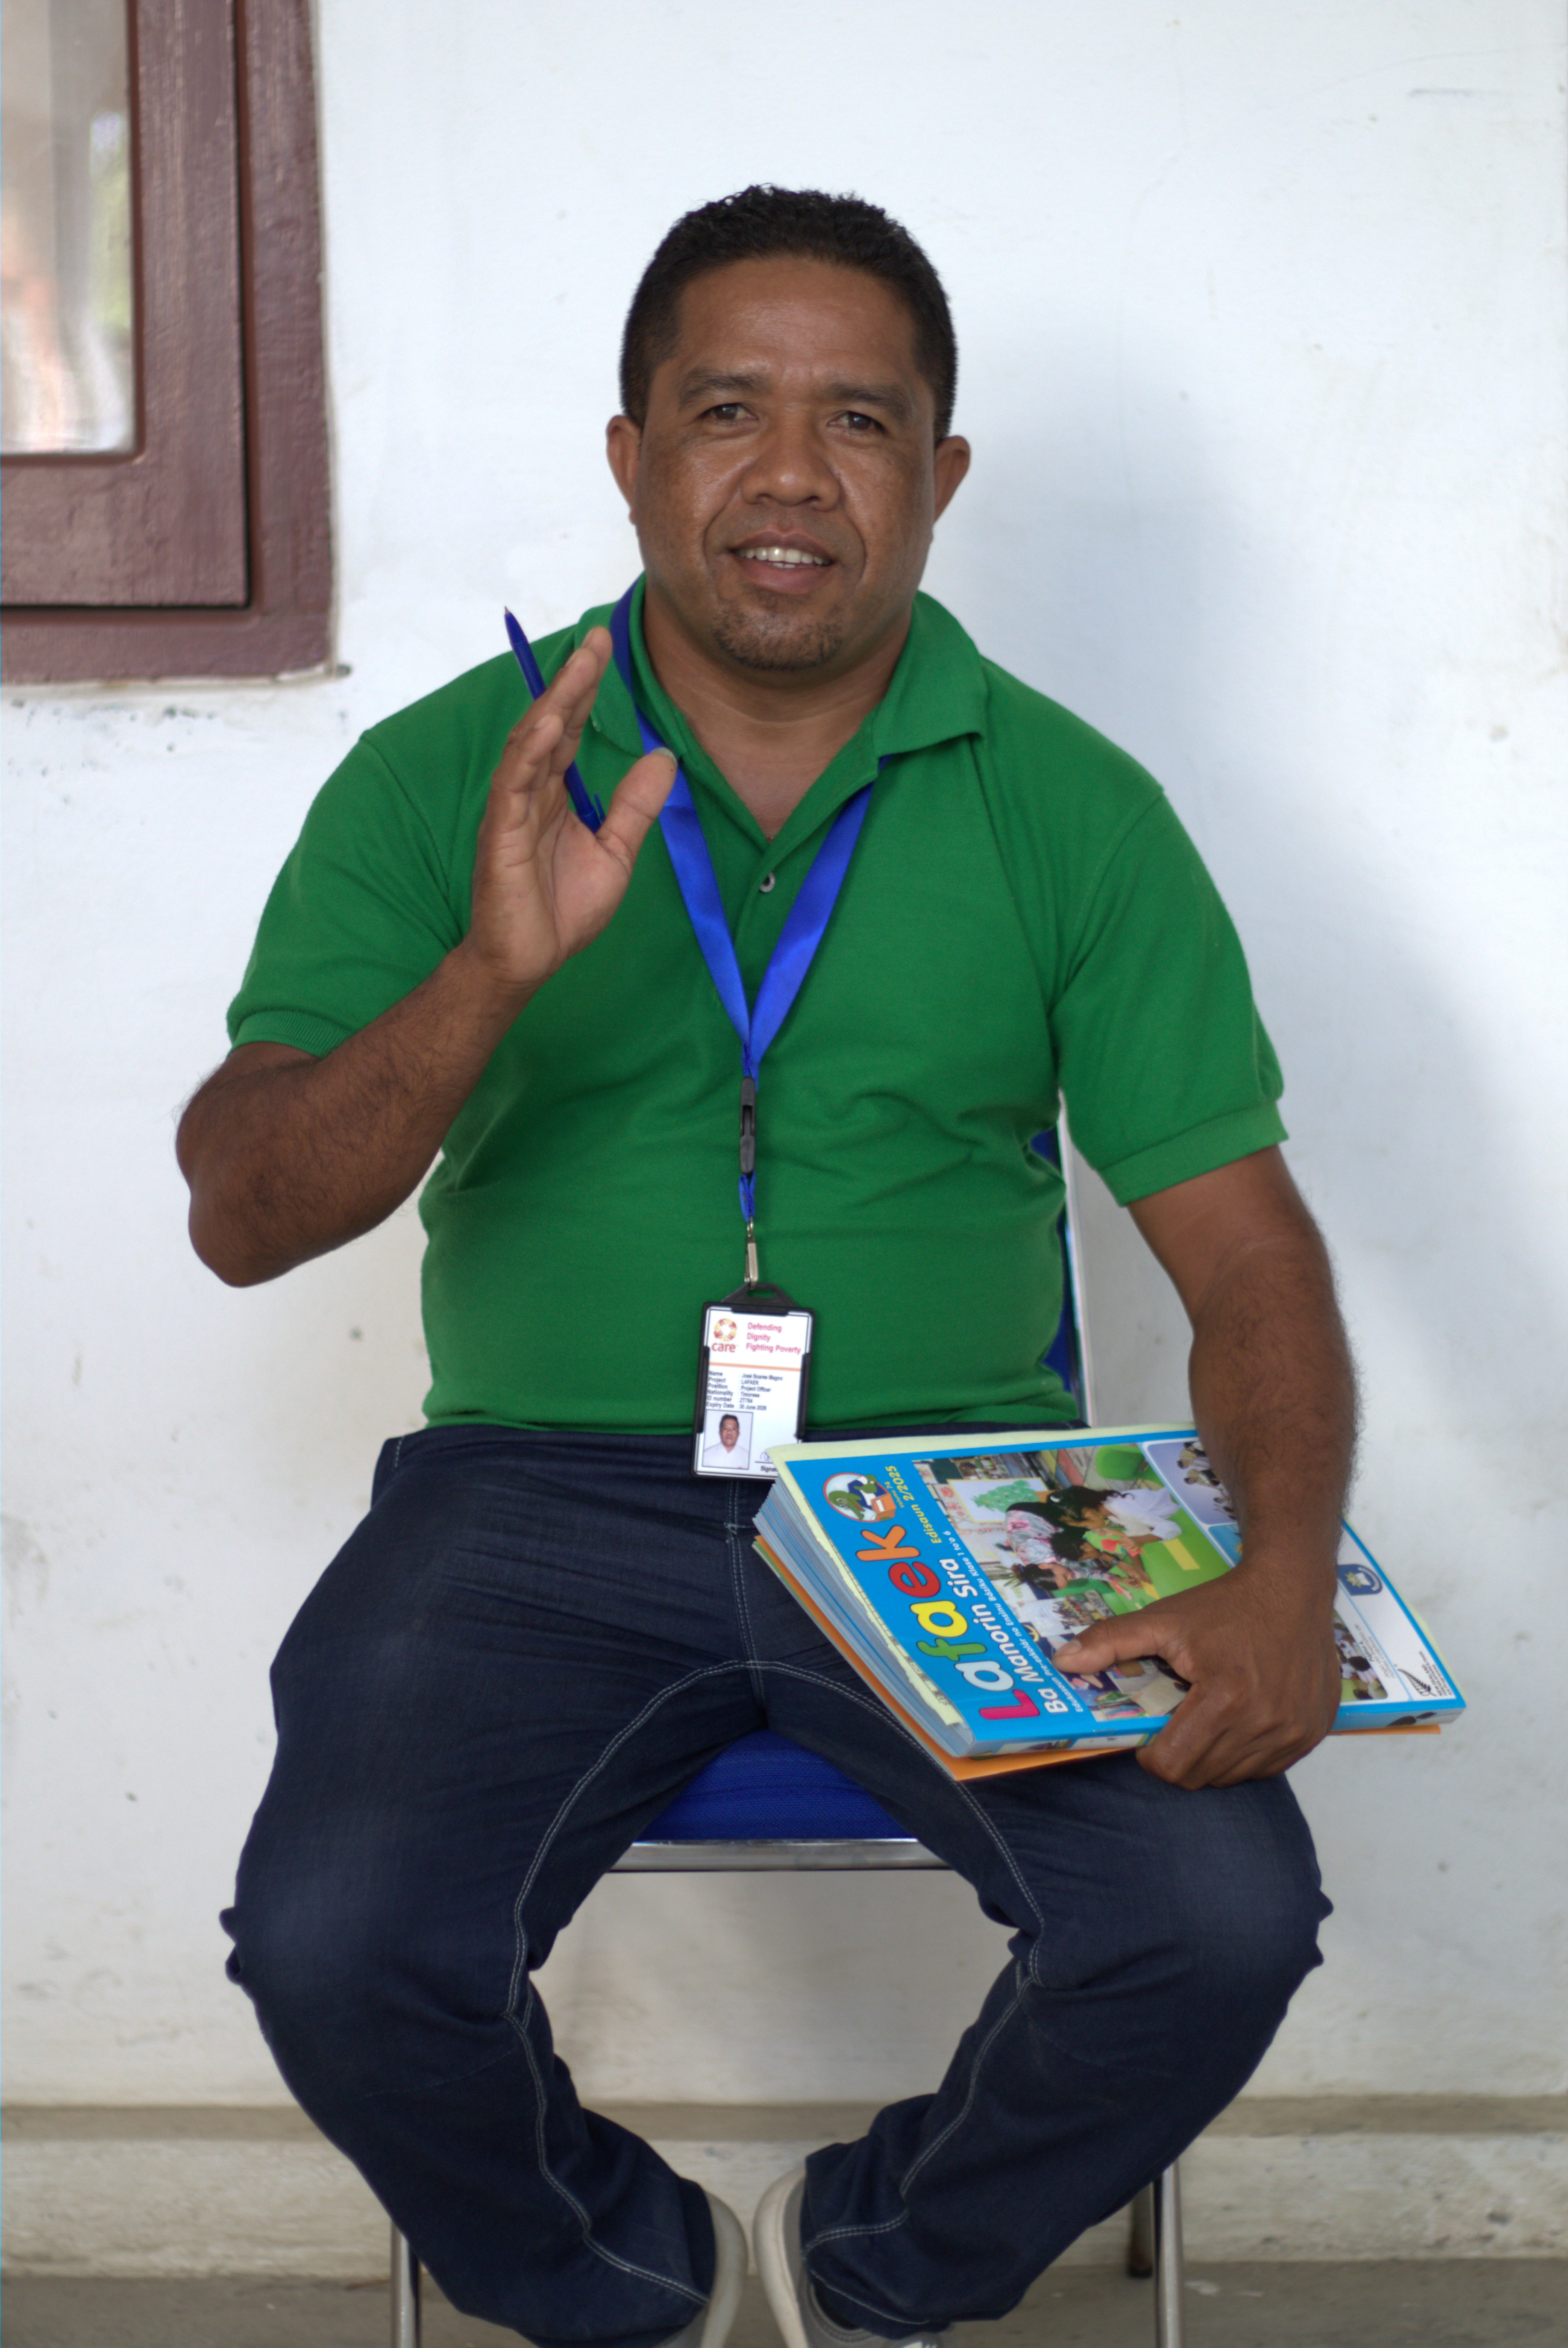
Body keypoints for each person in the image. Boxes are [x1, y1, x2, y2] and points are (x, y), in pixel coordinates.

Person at [179, 187, 1354, 2348]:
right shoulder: (452, 774)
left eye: (860, 421)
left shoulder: (1073, 808)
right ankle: (625, 2269)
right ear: (632, 457)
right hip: (532, 1500)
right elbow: (245, 1216)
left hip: (958, 1504)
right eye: (728, 412)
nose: (793, 474)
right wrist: (485, 977)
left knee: (1213, 1922)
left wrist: (1286, 1569)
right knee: (338, 1943)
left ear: (942, 473)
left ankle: (863, 2259)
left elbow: (1249, 1251)